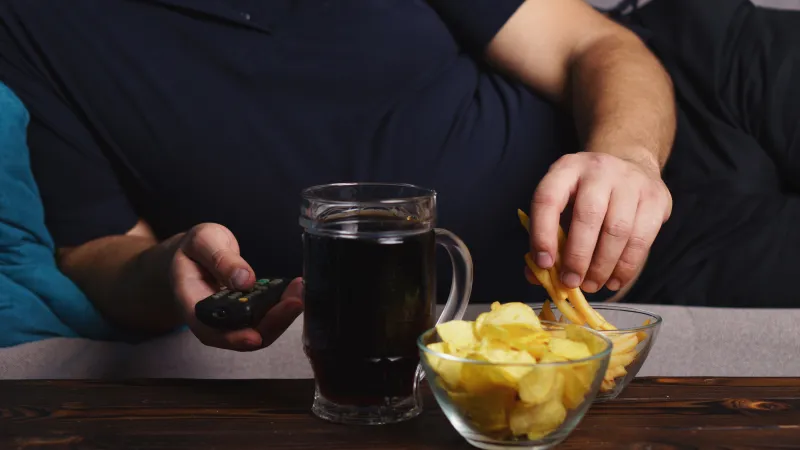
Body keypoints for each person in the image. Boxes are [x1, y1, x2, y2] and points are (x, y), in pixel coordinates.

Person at [0, 0, 794, 351]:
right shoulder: (30, 23)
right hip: (586, 271)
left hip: (691, 78)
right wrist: (163, 267)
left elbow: (593, 46)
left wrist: (625, 157)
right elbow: (97, 246)